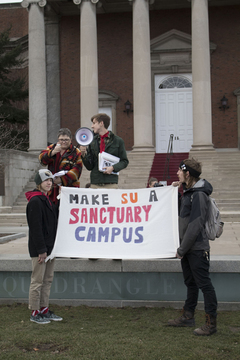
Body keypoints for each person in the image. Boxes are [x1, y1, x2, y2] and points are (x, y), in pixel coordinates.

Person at [168, 158, 217, 336]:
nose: (177, 173)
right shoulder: (188, 192)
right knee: (191, 283)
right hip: (188, 248)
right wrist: (175, 191)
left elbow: (195, 225)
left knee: (205, 285)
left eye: (180, 171)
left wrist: (182, 249)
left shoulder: (199, 194)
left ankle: (211, 323)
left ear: (188, 173)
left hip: (196, 249)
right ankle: (188, 316)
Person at [26, 169, 62, 324]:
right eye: (46, 181)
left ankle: (44, 309)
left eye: (51, 181)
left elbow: (54, 216)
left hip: (49, 248)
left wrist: (62, 198)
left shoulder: (46, 199)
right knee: (37, 281)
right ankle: (35, 312)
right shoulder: (35, 201)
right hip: (40, 249)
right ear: (38, 183)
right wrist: (41, 250)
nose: (49, 183)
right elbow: (36, 228)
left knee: (47, 280)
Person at [80, 113, 129, 189]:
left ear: (101, 123)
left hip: (111, 183)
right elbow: (89, 167)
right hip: (95, 184)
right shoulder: (91, 141)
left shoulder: (118, 141)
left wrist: (112, 168)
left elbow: (124, 161)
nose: (92, 126)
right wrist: (83, 154)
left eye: (94, 123)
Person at [39, 128, 82, 204]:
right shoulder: (51, 148)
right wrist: (52, 153)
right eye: (61, 140)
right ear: (58, 139)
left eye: (66, 140)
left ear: (71, 140)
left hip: (69, 189)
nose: (64, 142)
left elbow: (77, 171)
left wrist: (62, 179)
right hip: (52, 189)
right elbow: (42, 160)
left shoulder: (76, 151)